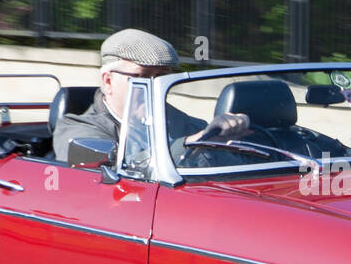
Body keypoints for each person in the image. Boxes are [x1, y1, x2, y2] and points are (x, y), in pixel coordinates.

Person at [52, 28, 248, 164]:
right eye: (142, 77)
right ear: (108, 81)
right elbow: (112, 178)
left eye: (162, 78)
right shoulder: (79, 130)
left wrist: (224, 144)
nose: (154, 87)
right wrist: (189, 145)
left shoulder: (186, 124)